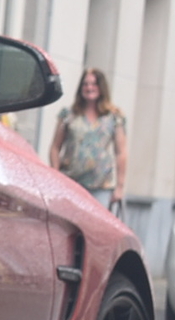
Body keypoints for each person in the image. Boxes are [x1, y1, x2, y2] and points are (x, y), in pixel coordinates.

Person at [50, 67, 129, 214]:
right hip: (71, 182)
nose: (89, 88)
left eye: (94, 84)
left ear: (101, 88)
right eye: (85, 84)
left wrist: (120, 187)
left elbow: (121, 152)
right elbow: (55, 147)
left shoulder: (114, 117)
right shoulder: (69, 115)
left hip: (101, 186)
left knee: (95, 230)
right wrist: (55, 174)